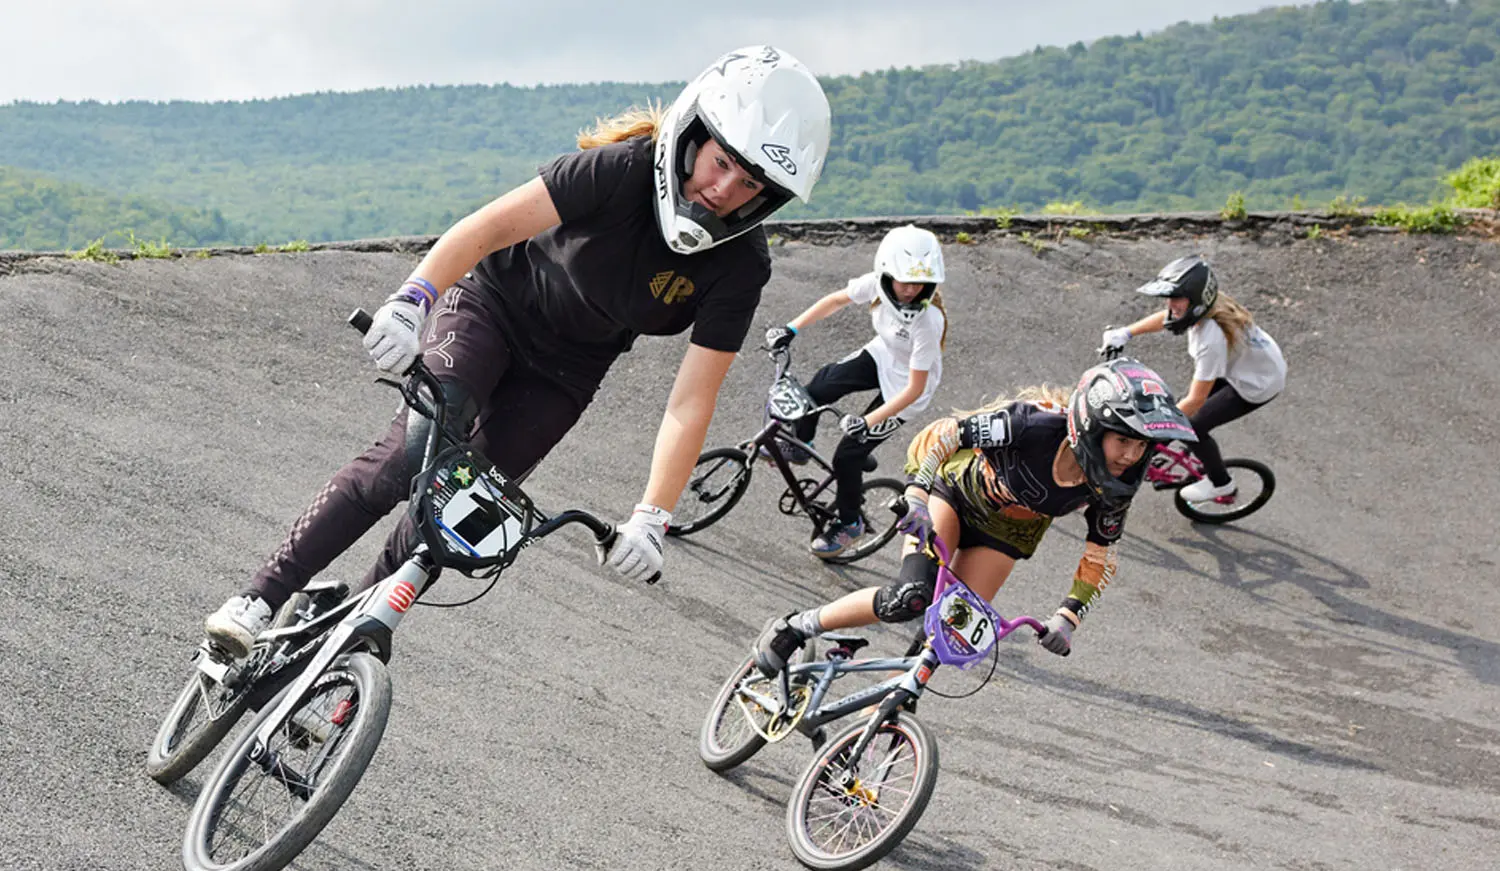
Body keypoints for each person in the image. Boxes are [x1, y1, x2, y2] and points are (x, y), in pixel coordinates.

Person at [204, 45, 832, 657]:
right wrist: (412, 300)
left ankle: (340, 648)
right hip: (492, 308)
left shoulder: (739, 267)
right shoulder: (621, 171)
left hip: (567, 372)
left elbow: (691, 400)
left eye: (748, 183)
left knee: (462, 517)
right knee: (413, 453)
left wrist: (652, 517)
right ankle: (257, 600)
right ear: (693, 136)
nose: (723, 189)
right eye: (719, 162)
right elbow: (485, 229)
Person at [751, 356, 1199, 674]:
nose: (1131, 455)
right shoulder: (1034, 425)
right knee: (910, 596)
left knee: (942, 642)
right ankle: (795, 627)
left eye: (1142, 446)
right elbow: (943, 435)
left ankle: (874, 732)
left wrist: (1068, 617)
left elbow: (1100, 557)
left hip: (1006, 535)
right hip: (955, 497)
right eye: (1124, 440)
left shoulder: (1113, 488)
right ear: (1092, 425)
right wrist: (918, 497)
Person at [763, 224, 947, 558]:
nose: (912, 290)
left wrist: (867, 421)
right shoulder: (876, 285)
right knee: (818, 388)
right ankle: (802, 445)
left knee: (847, 454)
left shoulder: (929, 321)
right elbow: (835, 301)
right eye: (905, 281)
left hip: (906, 390)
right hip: (882, 356)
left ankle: (851, 523)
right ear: (887, 274)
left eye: (920, 282)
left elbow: (915, 387)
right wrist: (790, 329)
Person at [1100, 256, 1286, 504]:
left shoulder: (1210, 339)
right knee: (1176, 412)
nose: (1170, 304)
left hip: (1257, 384)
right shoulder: (1206, 305)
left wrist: (1153, 432)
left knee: (1193, 424)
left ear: (1196, 301)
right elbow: (1169, 317)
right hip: (1252, 366)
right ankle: (1191, 453)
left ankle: (1222, 485)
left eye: (1176, 298)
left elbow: (1197, 399)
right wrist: (1125, 333)